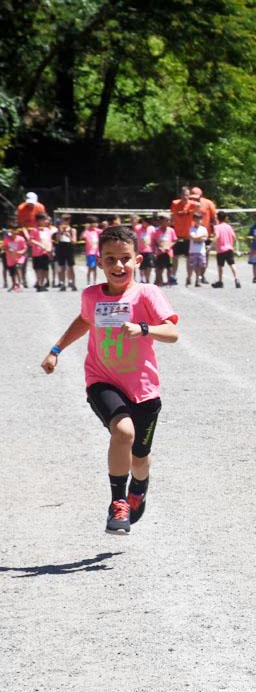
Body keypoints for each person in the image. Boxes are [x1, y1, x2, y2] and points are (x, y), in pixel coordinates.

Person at [40, 224, 180, 534]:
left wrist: (144, 329)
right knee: (123, 432)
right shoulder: (92, 295)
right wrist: (56, 349)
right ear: (99, 262)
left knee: (139, 460)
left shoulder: (147, 294)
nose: (118, 266)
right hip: (102, 380)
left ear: (138, 261)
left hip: (143, 389)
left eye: (125, 259)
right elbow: (85, 320)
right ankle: (118, 503)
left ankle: (139, 486)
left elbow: (172, 332)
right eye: (110, 259)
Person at [168, 187, 193, 285]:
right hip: (177, 236)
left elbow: (199, 208)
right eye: (184, 195)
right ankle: (173, 276)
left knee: (189, 258)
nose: (186, 197)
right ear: (181, 195)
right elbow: (172, 216)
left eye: (188, 195)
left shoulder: (192, 204)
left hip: (187, 236)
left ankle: (189, 277)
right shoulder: (175, 204)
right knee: (175, 258)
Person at [211, 212, 241, 288]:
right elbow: (234, 236)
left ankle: (220, 281)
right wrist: (231, 244)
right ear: (225, 218)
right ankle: (237, 279)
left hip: (221, 249)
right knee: (232, 264)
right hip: (229, 248)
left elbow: (217, 236)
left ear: (218, 218)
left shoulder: (216, 227)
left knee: (220, 266)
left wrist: (211, 245)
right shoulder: (229, 226)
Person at [30, 214, 54, 291]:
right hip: (37, 253)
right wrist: (39, 244)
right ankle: (39, 284)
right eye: (44, 220)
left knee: (44, 269)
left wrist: (50, 250)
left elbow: (50, 241)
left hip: (46, 252)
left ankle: (42, 284)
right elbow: (31, 240)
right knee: (39, 269)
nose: (45, 221)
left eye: (45, 219)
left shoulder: (47, 230)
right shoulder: (34, 230)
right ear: (39, 221)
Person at [54, 217, 77, 291]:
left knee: (71, 267)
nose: (64, 222)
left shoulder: (72, 230)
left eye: (66, 220)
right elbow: (57, 240)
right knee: (62, 267)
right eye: (63, 221)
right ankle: (62, 283)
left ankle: (72, 283)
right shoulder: (58, 230)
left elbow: (74, 241)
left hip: (69, 247)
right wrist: (60, 232)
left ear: (69, 221)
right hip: (61, 247)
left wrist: (68, 235)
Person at [152, 215, 176, 287]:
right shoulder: (156, 231)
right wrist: (159, 247)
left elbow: (174, 240)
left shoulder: (171, 230)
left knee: (169, 267)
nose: (163, 223)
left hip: (169, 252)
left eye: (165, 221)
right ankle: (160, 281)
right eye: (161, 221)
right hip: (160, 252)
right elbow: (154, 241)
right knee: (159, 268)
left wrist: (169, 246)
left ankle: (169, 281)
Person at [187, 219, 209, 287]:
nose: (198, 222)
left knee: (201, 266)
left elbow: (206, 238)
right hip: (193, 250)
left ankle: (197, 279)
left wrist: (197, 238)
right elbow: (193, 237)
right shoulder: (191, 229)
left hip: (201, 251)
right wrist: (201, 236)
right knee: (193, 266)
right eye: (196, 220)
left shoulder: (204, 229)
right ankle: (191, 278)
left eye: (199, 220)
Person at [134, 217, 155, 284]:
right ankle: (142, 278)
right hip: (140, 250)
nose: (144, 223)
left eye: (146, 222)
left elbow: (154, 239)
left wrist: (155, 249)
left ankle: (147, 279)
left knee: (149, 265)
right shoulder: (137, 228)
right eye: (143, 221)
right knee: (141, 266)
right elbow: (135, 237)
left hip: (149, 250)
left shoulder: (152, 228)